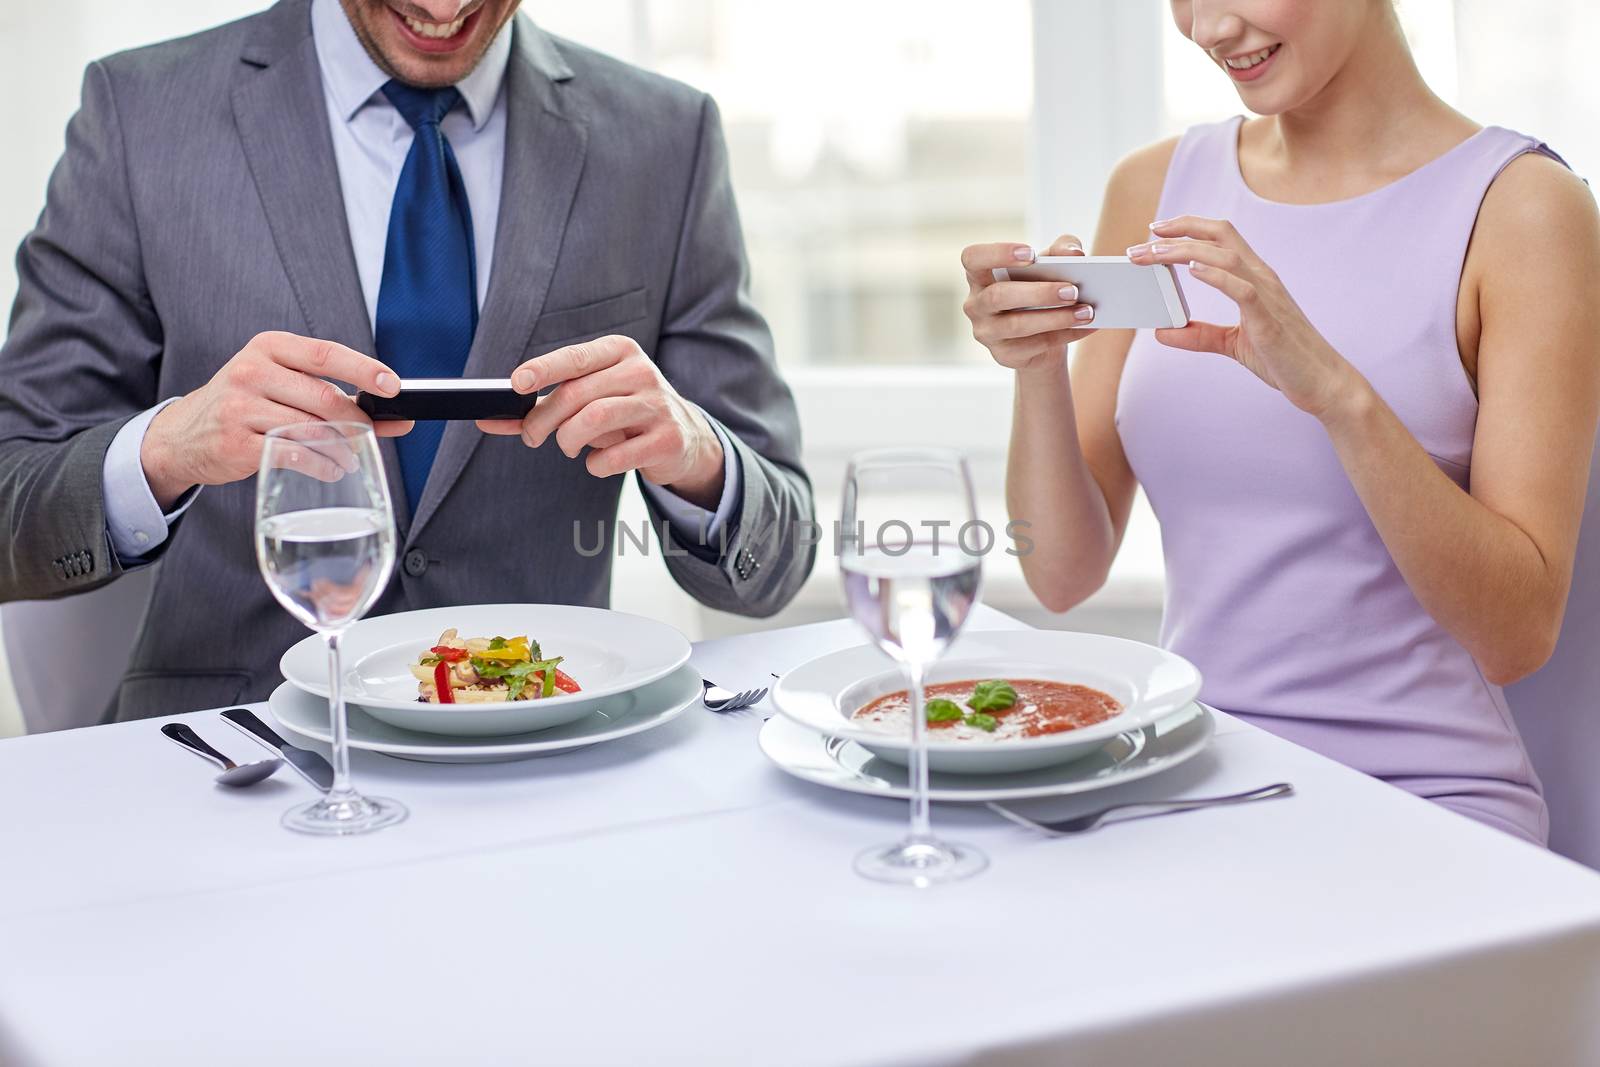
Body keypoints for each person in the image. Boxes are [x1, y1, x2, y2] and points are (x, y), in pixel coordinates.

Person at [0, 0, 815, 720]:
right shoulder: (140, 114)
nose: (442, 5)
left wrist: (701, 460)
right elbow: (12, 506)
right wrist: (168, 446)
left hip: (542, 757)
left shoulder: (665, 141)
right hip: (232, 753)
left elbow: (779, 561)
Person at [962, 0, 1600, 844]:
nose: (1206, 26)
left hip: (1426, 808)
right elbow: (1063, 575)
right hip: (1190, 780)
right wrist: (1036, 368)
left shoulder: (1524, 211)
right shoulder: (1154, 189)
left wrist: (1335, 392)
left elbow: (1516, 635)